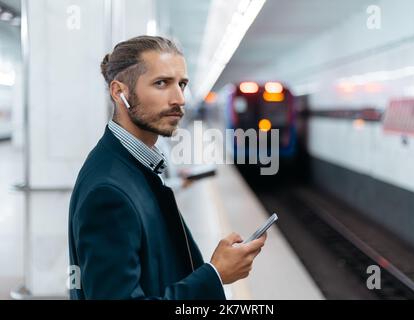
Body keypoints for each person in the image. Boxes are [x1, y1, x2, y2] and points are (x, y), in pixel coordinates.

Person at [68, 35, 267, 300]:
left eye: (182, 84)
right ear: (119, 92)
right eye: (161, 83)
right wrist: (215, 275)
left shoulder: (136, 165)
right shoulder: (108, 192)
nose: (179, 99)